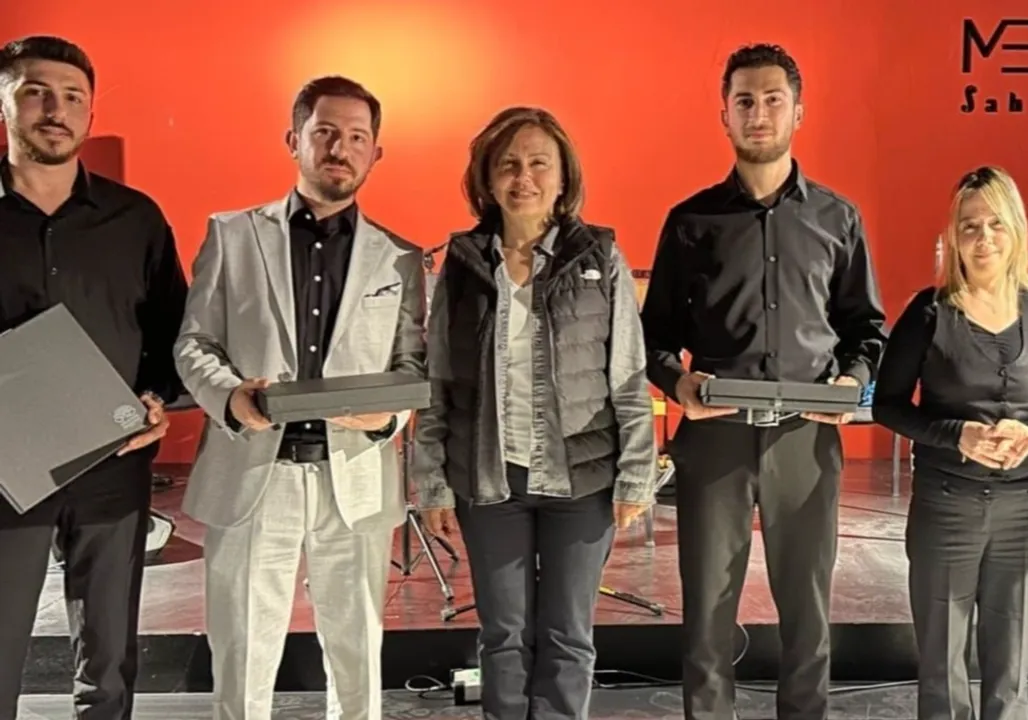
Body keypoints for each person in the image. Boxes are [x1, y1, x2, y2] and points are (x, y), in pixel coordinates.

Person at [641, 44, 887, 720]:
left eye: (773, 99)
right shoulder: (691, 222)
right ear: (723, 114)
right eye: (744, 100)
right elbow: (652, 336)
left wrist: (853, 380)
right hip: (714, 439)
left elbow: (867, 328)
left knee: (807, 609)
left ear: (798, 112)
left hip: (806, 439)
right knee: (707, 611)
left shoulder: (838, 219)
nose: (759, 113)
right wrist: (678, 385)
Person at [174, 75, 425, 720]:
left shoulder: (400, 258)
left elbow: (412, 364)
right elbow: (194, 343)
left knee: (357, 654)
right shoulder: (232, 235)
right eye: (326, 133)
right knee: (242, 653)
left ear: (376, 153)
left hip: (355, 477)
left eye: (357, 137)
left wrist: (390, 417)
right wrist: (230, 397)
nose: (341, 149)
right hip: (255, 471)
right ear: (294, 140)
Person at [413, 105, 657, 720]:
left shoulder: (599, 255)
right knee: (503, 636)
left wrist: (636, 475)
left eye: (539, 163)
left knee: (569, 635)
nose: (524, 177)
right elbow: (437, 382)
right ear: (487, 178)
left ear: (563, 175)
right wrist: (431, 481)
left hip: (583, 482)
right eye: (509, 164)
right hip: (489, 482)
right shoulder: (461, 264)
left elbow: (628, 376)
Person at [0, 36, 186, 720]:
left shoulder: (136, 219)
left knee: (109, 659)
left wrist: (157, 400)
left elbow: (174, 335)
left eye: (73, 97)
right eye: (36, 92)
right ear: (4, 104)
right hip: (4, 470)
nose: (57, 110)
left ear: (90, 113)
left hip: (112, 459)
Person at [873, 166, 1028, 720]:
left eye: (995, 223)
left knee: (1011, 671)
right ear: (953, 236)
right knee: (942, 669)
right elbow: (887, 404)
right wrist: (957, 434)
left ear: (1016, 230)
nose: (983, 237)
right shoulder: (928, 312)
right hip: (946, 507)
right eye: (969, 226)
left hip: (1023, 513)